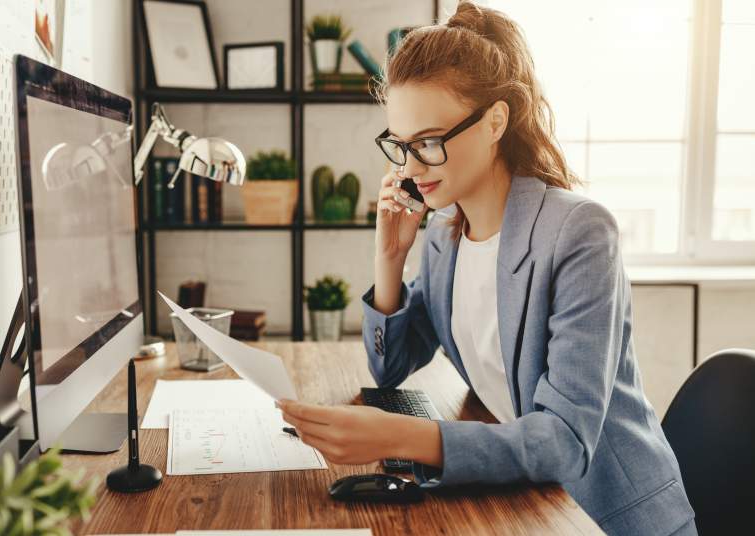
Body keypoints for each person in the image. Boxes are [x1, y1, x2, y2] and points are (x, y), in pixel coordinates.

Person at [277, 3, 696, 535]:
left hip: (604, 515)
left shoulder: (579, 234)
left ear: (496, 120)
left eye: (428, 142)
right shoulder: (445, 230)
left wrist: (399, 437)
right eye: (401, 146)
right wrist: (389, 259)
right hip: (529, 501)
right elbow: (392, 369)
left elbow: (564, 440)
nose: (410, 168)